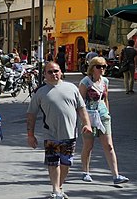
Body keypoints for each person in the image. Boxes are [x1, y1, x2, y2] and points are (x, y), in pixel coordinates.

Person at [26, 61, 93, 199]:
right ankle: (56, 189)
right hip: (50, 133)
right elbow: (31, 114)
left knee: (66, 163)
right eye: (50, 72)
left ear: (61, 72)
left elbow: (81, 108)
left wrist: (87, 124)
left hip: (69, 134)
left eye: (56, 71)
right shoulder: (40, 92)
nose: (53, 74)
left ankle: (59, 186)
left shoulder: (72, 88)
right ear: (44, 74)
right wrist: (30, 135)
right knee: (53, 162)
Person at [78, 58, 128, 185]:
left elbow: (106, 99)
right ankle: (86, 172)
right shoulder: (85, 82)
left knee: (109, 146)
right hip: (89, 117)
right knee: (88, 146)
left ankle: (116, 175)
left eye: (104, 67)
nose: (102, 69)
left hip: (103, 115)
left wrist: (108, 113)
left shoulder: (105, 81)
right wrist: (84, 121)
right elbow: (80, 103)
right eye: (99, 66)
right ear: (92, 67)